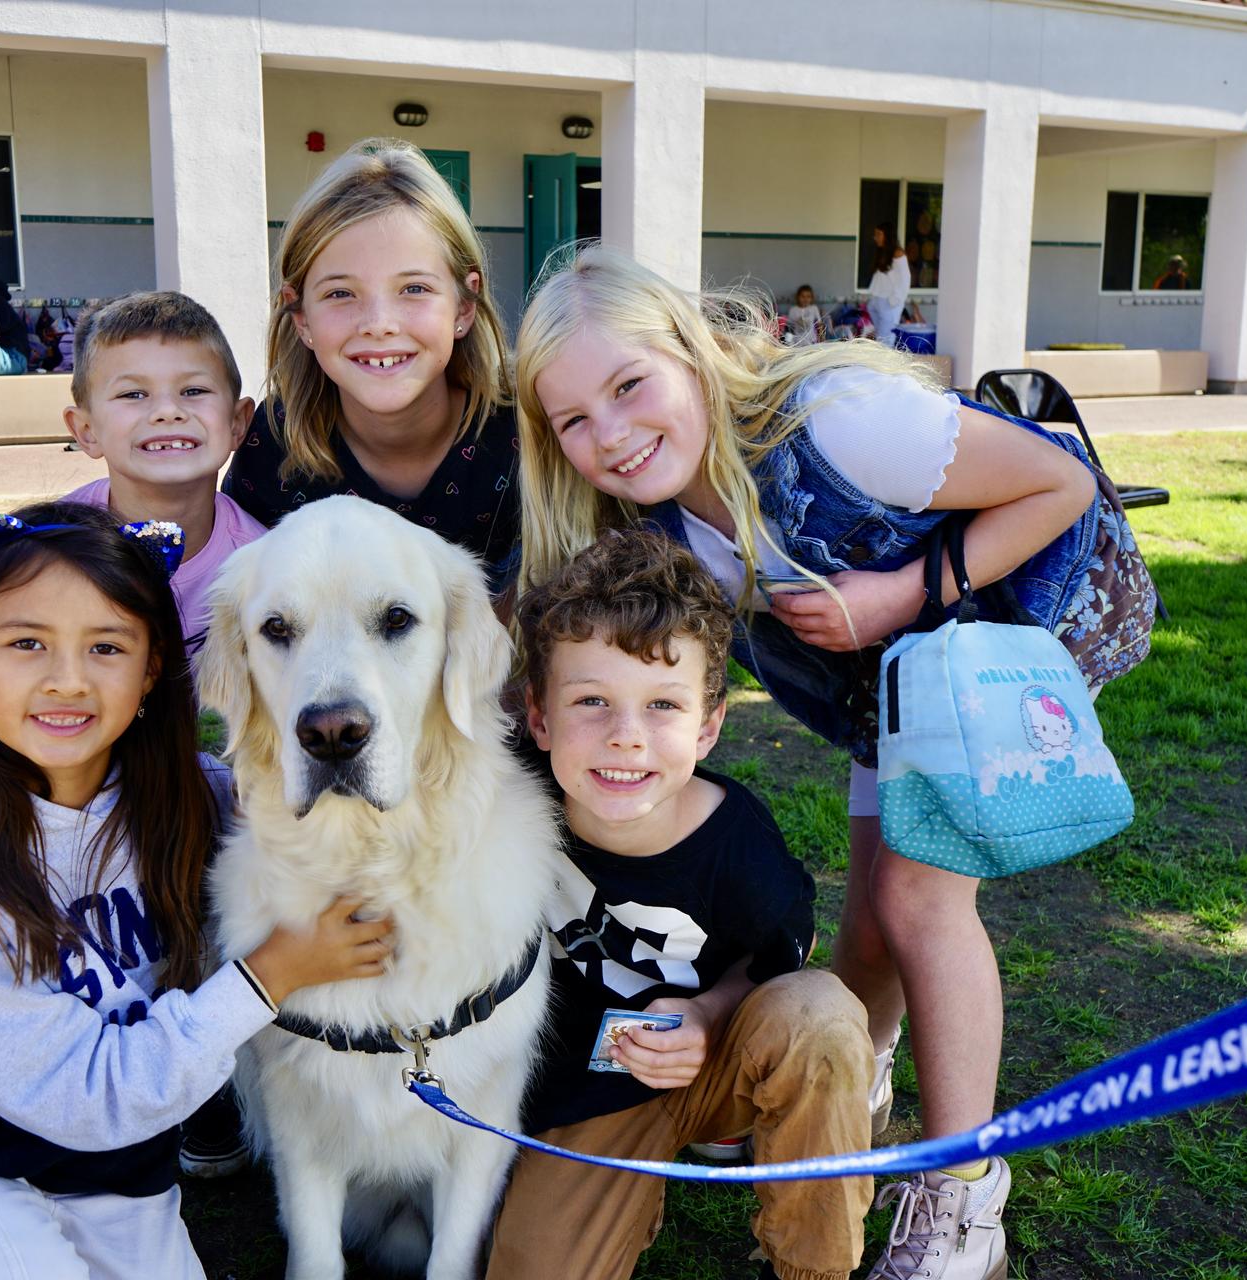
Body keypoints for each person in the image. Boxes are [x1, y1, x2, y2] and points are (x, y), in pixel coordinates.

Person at [512, 245, 1156, 1280]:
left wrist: (906, 591)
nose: (612, 434)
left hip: (1004, 630)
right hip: (895, 671)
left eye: (629, 386)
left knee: (917, 900)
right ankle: (851, 1082)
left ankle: (961, 1201)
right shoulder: (661, 506)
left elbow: (1061, 481)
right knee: (865, 925)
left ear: (691, 351)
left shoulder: (842, 423)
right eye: (573, 420)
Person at [0, 502, 393, 1279]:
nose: (67, 681)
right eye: (26, 643)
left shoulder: (194, 800)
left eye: (106, 646)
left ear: (152, 667)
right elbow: (84, 1096)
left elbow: (340, 823)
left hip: (123, 1171)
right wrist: (274, 974)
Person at [490, 528, 873, 1280]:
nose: (626, 738)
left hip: (715, 1059)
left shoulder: (741, 851)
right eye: (591, 700)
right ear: (538, 717)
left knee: (818, 1019)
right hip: (584, 1092)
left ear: (708, 726)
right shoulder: (505, 792)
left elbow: (780, 965)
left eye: (662, 705)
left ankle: (812, 1269)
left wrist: (706, 1017)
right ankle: (627, 1193)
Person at [0, 290, 262, 823]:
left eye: (194, 391)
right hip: (38, 766)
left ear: (239, 422)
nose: (167, 411)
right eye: (133, 395)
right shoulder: (46, 541)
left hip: (165, 774)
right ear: (85, 430)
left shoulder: (264, 565)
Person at [220, 138, 518, 585]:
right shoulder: (274, 445)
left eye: (414, 289)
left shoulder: (523, 433)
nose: (378, 324)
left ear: (463, 306)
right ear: (301, 318)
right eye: (341, 293)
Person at [867, 232, 913, 351]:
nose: (875, 237)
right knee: (881, 341)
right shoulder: (883, 253)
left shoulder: (898, 253)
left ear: (887, 235)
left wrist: (894, 300)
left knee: (884, 344)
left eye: (879, 234)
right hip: (879, 300)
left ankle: (884, 369)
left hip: (889, 303)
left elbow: (904, 279)